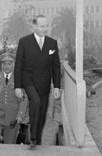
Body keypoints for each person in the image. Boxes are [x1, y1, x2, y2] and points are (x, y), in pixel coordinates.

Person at [14, 15, 61, 148]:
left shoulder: (52, 43)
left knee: (42, 112)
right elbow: (18, 65)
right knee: (35, 102)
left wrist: (57, 86)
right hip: (28, 80)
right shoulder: (24, 41)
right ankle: (33, 136)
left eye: (46, 26)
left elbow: (56, 66)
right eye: (42, 26)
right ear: (34, 27)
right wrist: (18, 87)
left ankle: (36, 140)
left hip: (44, 83)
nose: (45, 29)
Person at [0, 52, 28, 144]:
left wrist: (20, 115)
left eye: (9, 64)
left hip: (12, 116)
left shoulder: (20, 79)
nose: (6, 66)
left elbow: (24, 100)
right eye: (4, 64)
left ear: (14, 64)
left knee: (9, 144)